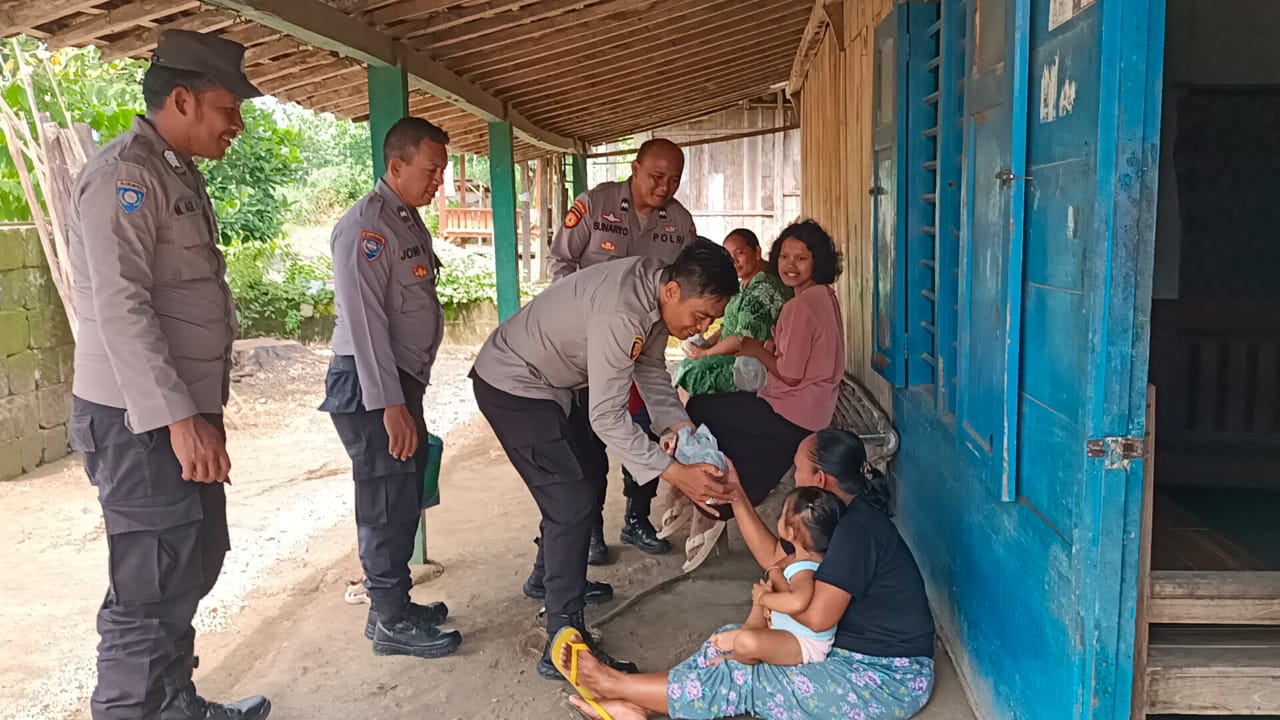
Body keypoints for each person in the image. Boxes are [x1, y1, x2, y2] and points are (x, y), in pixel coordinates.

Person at [64, 30, 270, 720]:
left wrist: (196, 412)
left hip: (176, 412)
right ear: (181, 99)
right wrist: (179, 420)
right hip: (139, 420)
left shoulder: (172, 171)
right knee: (149, 585)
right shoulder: (124, 174)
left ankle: (172, 701)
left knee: (192, 559)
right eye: (227, 108)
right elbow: (119, 306)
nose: (236, 124)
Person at [470, 243, 739, 680]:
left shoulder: (655, 288)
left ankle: (549, 576)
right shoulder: (623, 313)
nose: (702, 328)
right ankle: (562, 637)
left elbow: (649, 369)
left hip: (555, 382)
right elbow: (608, 417)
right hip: (516, 384)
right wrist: (676, 473)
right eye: (701, 315)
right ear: (673, 291)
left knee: (590, 474)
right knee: (571, 501)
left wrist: (681, 431)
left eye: (712, 320)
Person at [555, 430, 937, 720]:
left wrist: (768, 600)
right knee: (728, 640)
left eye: (799, 468)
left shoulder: (857, 530)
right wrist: (736, 496)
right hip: (843, 653)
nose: (793, 474)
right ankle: (639, 703)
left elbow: (818, 615)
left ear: (819, 479)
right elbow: (778, 558)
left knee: (744, 677)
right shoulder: (833, 516)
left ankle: (613, 685)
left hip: (886, 678)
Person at [319, 117, 462, 660]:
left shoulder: (405, 221)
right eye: (430, 171)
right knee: (383, 499)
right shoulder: (367, 228)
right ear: (396, 166)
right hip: (371, 385)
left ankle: (396, 605)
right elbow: (365, 326)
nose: (438, 183)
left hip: (396, 384)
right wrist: (390, 406)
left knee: (403, 495)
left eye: (443, 172)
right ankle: (387, 617)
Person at [548, 138, 698, 562]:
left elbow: (689, 284)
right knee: (590, 437)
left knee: (649, 428)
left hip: (643, 349)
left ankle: (637, 517)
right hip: (588, 353)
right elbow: (561, 263)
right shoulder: (596, 205)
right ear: (635, 168)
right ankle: (591, 529)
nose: (664, 186)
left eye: (673, 180)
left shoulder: (680, 224)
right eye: (656, 177)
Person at [676, 220, 847, 571]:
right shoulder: (822, 296)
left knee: (702, 408)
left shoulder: (802, 306)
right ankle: (715, 499)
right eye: (785, 256)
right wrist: (770, 346)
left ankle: (715, 504)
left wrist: (752, 347)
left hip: (793, 411)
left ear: (819, 262)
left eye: (801, 258)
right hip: (814, 408)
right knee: (725, 415)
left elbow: (790, 372)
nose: (790, 265)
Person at [707, 486, 844, 667]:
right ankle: (743, 636)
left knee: (746, 641)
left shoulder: (805, 569)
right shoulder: (802, 559)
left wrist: (764, 598)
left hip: (802, 644)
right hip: (786, 632)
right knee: (761, 601)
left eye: (781, 514)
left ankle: (737, 658)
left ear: (791, 533)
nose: (778, 517)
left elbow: (797, 602)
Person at [672, 228, 791, 398]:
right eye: (729, 256)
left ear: (757, 252)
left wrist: (705, 354)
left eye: (740, 253)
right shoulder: (743, 285)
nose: (734, 261)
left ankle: (689, 420)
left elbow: (742, 340)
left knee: (695, 371)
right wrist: (705, 345)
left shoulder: (765, 287)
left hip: (753, 364)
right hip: (734, 354)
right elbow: (728, 326)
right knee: (690, 363)